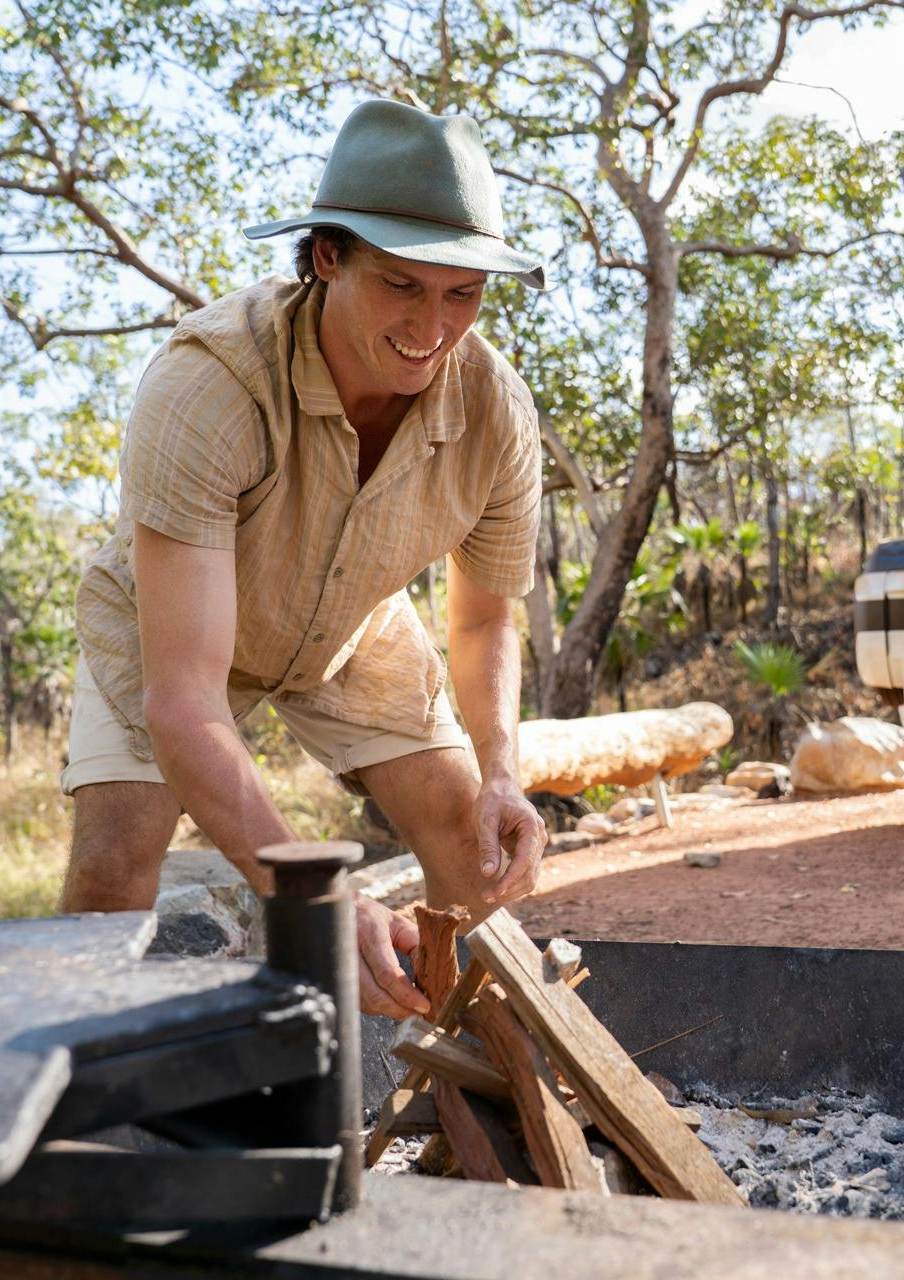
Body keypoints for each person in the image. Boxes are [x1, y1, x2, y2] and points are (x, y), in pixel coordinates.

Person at [58, 99, 550, 1022]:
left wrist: (499, 772)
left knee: (474, 854)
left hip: (354, 628)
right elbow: (187, 706)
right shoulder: (208, 386)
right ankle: (85, 1129)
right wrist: (317, 899)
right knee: (113, 877)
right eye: (402, 285)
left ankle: (468, 1097)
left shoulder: (497, 414)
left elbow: (484, 619)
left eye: (462, 293)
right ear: (329, 257)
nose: (433, 327)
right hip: (171, 632)